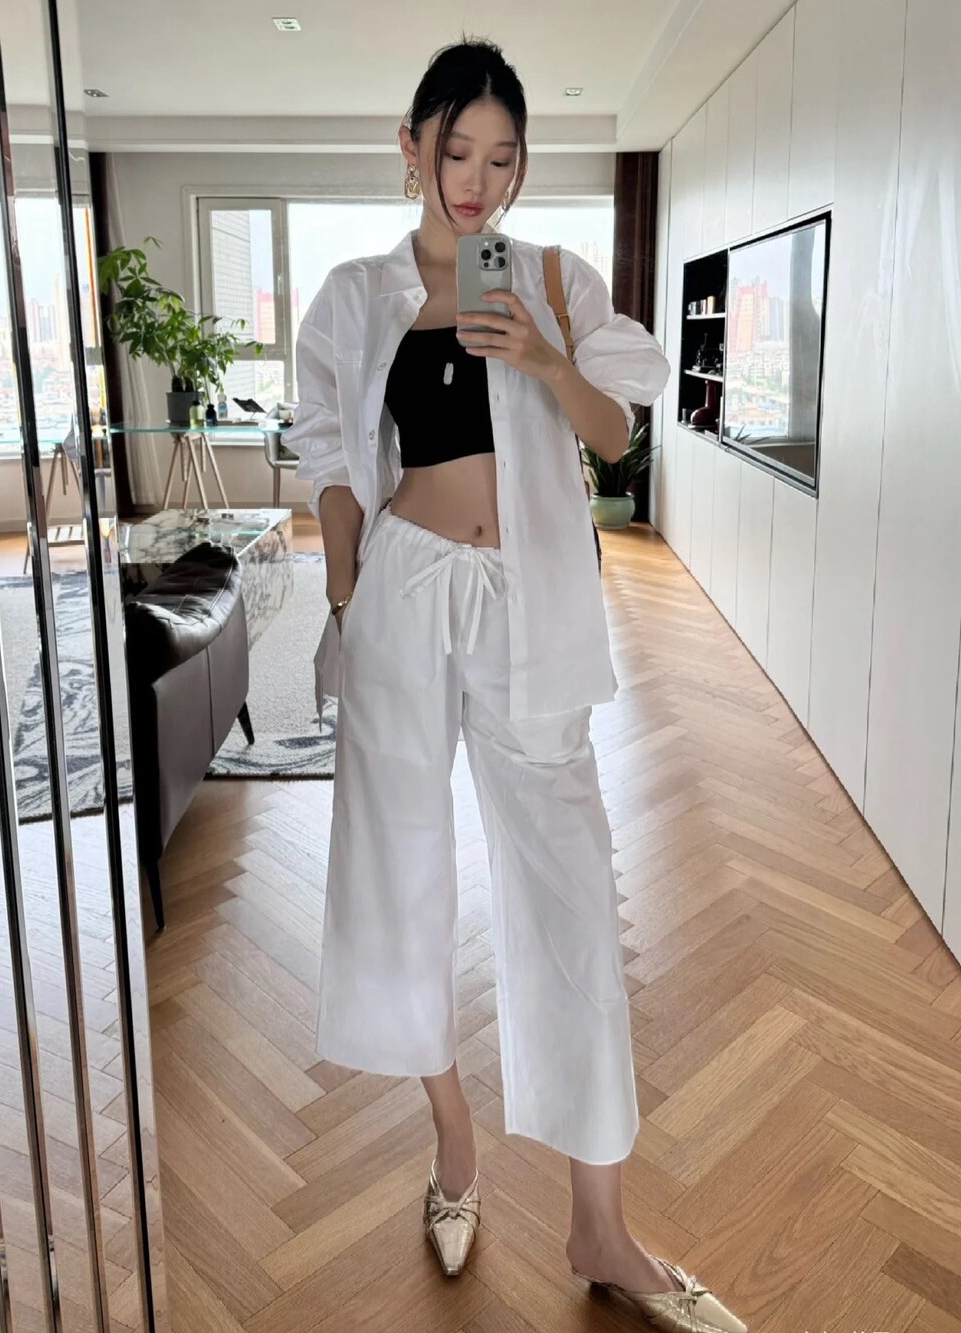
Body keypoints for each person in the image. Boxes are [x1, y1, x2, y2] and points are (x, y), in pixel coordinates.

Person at [285, 36, 746, 1333]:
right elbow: (335, 470)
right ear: (413, 150)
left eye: (503, 157)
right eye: (457, 153)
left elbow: (619, 431)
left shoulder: (551, 277)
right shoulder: (355, 297)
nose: (478, 181)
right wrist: (342, 609)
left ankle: (601, 1224)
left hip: (530, 611)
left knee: (572, 894)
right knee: (399, 872)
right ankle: (454, 1144)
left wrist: (545, 356)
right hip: (402, 598)